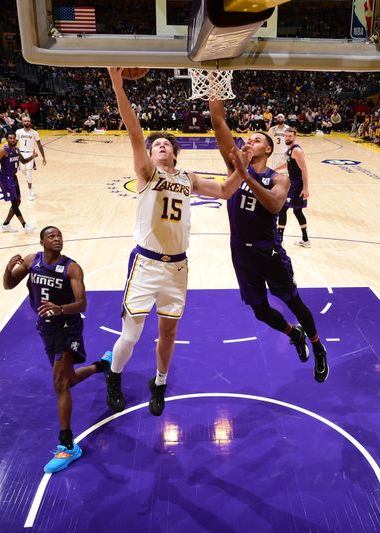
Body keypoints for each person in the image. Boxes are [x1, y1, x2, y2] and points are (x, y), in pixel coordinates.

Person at [105, 67, 244, 416]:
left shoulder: (188, 177)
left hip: (178, 267)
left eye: (167, 143)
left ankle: (160, 383)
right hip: (146, 264)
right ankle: (114, 376)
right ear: (151, 155)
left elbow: (227, 190)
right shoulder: (147, 174)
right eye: (156, 144)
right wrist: (118, 85)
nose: (160, 145)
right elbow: (136, 133)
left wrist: (243, 167)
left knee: (167, 334)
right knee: (132, 336)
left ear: (175, 153)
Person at [209, 98, 329, 383]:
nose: (250, 141)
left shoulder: (278, 178)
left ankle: (318, 346)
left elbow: (275, 206)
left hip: (268, 250)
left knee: (293, 302)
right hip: (240, 250)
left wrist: (244, 175)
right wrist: (213, 81)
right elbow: (217, 121)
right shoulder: (234, 165)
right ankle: (293, 333)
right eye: (247, 138)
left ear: (267, 149)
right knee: (260, 311)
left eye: (257, 139)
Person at [3, 226, 112, 473]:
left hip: (67, 326)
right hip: (46, 328)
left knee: (60, 384)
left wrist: (60, 309)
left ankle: (67, 444)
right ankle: (103, 365)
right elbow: (9, 285)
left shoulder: (72, 268)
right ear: (41, 241)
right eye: (51, 236)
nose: (57, 239)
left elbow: (82, 303)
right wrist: (7, 270)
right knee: (69, 380)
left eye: (60, 235)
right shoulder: (32, 261)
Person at [0, 133, 37, 233]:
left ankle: (6, 224)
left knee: (18, 201)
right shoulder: (4, 150)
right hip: (5, 178)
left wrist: (32, 156)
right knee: (14, 202)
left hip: (13, 177)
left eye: (14, 138)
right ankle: (25, 225)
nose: (13, 139)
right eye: (10, 138)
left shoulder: (16, 150)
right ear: (7, 139)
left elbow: (23, 161)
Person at [273, 127, 311, 247]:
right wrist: (274, 170)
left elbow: (304, 169)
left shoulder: (296, 150)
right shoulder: (290, 150)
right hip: (293, 183)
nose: (287, 138)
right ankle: (305, 240)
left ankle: (280, 239)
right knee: (297, 211)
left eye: (290, 136)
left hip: (297, 185)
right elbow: (289, 163)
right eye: (286, 136)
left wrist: (305, 188)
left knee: (283, 208)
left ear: (295, 137)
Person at [15, 117, 47, 201]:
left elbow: (39, 145)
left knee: (29, 171)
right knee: (23, 171)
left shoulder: (34, 133)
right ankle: (31, 184)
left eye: (28, 121)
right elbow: (14, 143)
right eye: (25, 121)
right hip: (21, 153)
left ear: (30, 122)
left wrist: (43, 157)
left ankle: (29, 191)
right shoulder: (18, 132)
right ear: (22, 122)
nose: (27, 122)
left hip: (30, 153)